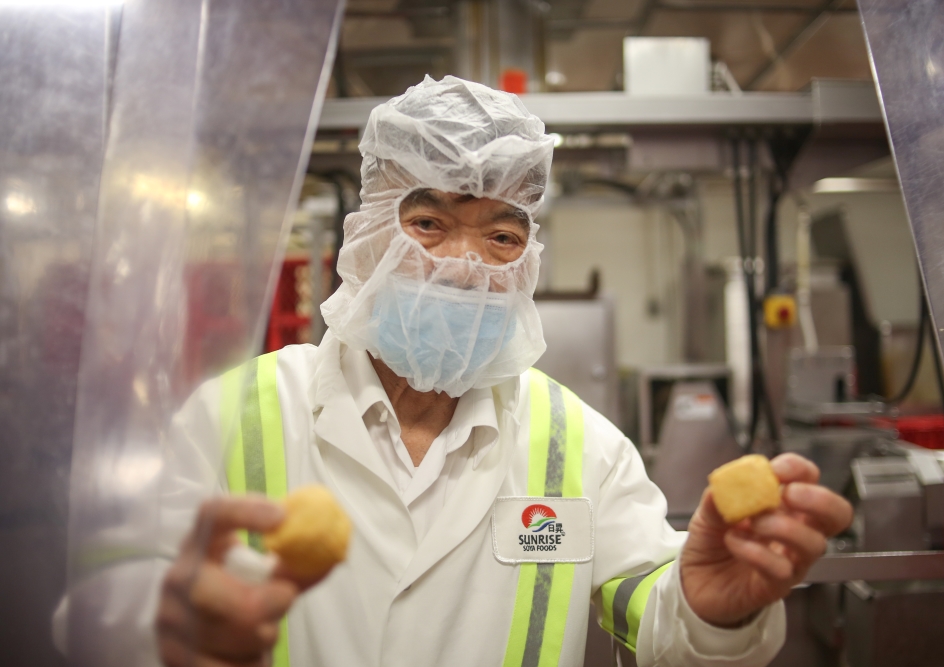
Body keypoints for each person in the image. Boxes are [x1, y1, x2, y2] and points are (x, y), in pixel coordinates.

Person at [148, 75, 852, 667]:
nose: (463, 264)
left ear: (530, 260)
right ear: (364, 233)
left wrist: (711, 610)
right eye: (427, 223)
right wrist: (159, 622)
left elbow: (660, 614)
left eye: (501, 236)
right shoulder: (230, 414)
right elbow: (108, 600)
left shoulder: (581, 444)